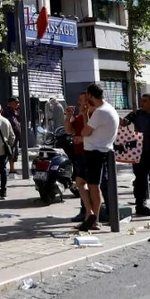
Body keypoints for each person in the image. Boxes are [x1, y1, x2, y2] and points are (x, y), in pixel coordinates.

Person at [76, 83, 119, 232]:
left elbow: (84, 132)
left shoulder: (100, 112)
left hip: (95, 153)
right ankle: (90, 213)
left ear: (89, 95)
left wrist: (83, 114)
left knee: (94, 187)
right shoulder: (109, 108)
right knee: (80, 181)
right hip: (98, 151)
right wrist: (85, 113)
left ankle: (94, 218)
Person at [65, 93, 93, 224]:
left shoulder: (94, 115)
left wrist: (82, 138)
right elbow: (68, 130)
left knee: (91, 184)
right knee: (81, 182)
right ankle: (85, 211)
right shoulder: (78, 117)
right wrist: (68, 117)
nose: (78, 102)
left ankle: (92, 212)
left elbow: (92, 133)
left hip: (91, 153)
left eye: (81, 100)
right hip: (79, 154)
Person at [4, 97, 24, 175]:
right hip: (10, 136)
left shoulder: (15, 112)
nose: (17, 104)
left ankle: (12, 169)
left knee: (15, 152)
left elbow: (18, 121)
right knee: (10, 152)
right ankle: (6, 167)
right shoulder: (6, 112)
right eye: (15, 103)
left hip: (16, 136)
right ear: (10, 103)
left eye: (17, 103)